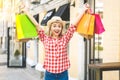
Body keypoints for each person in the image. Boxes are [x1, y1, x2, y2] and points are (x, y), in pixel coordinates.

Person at [22, 3, 89, 80]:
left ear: (61, 28)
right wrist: (26, 11)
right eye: (54, 26)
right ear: (50, 28)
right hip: (49, 74)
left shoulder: (65, 38)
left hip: (63, 74)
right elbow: (37, 25)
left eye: (59, 26)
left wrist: (83, 10)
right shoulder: (45, 38)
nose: (57, 28)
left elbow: (73, 25)